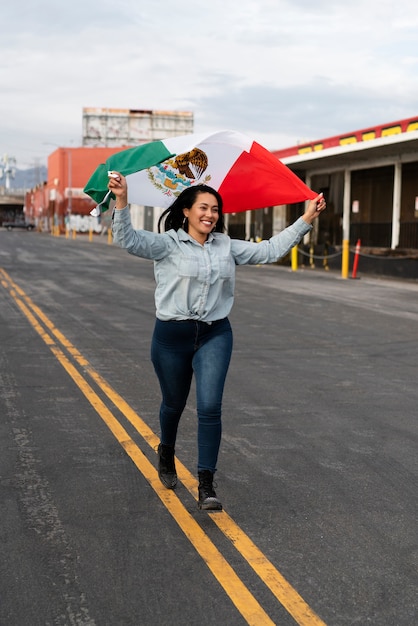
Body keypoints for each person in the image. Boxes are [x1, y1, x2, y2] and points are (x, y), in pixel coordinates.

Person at [109, 172, 326, 510]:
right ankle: (166, 451)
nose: (210, 215)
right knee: (174, 404)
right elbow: (129, 240)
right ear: (186, 211)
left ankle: (206, 483)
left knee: (210, 407)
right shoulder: (167, 244)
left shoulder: (226, 246)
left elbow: (268, 250)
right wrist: (122, 201)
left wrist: (305, 219)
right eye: (203, 208)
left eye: (215, 209)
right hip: (171, 337)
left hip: (214, 334)